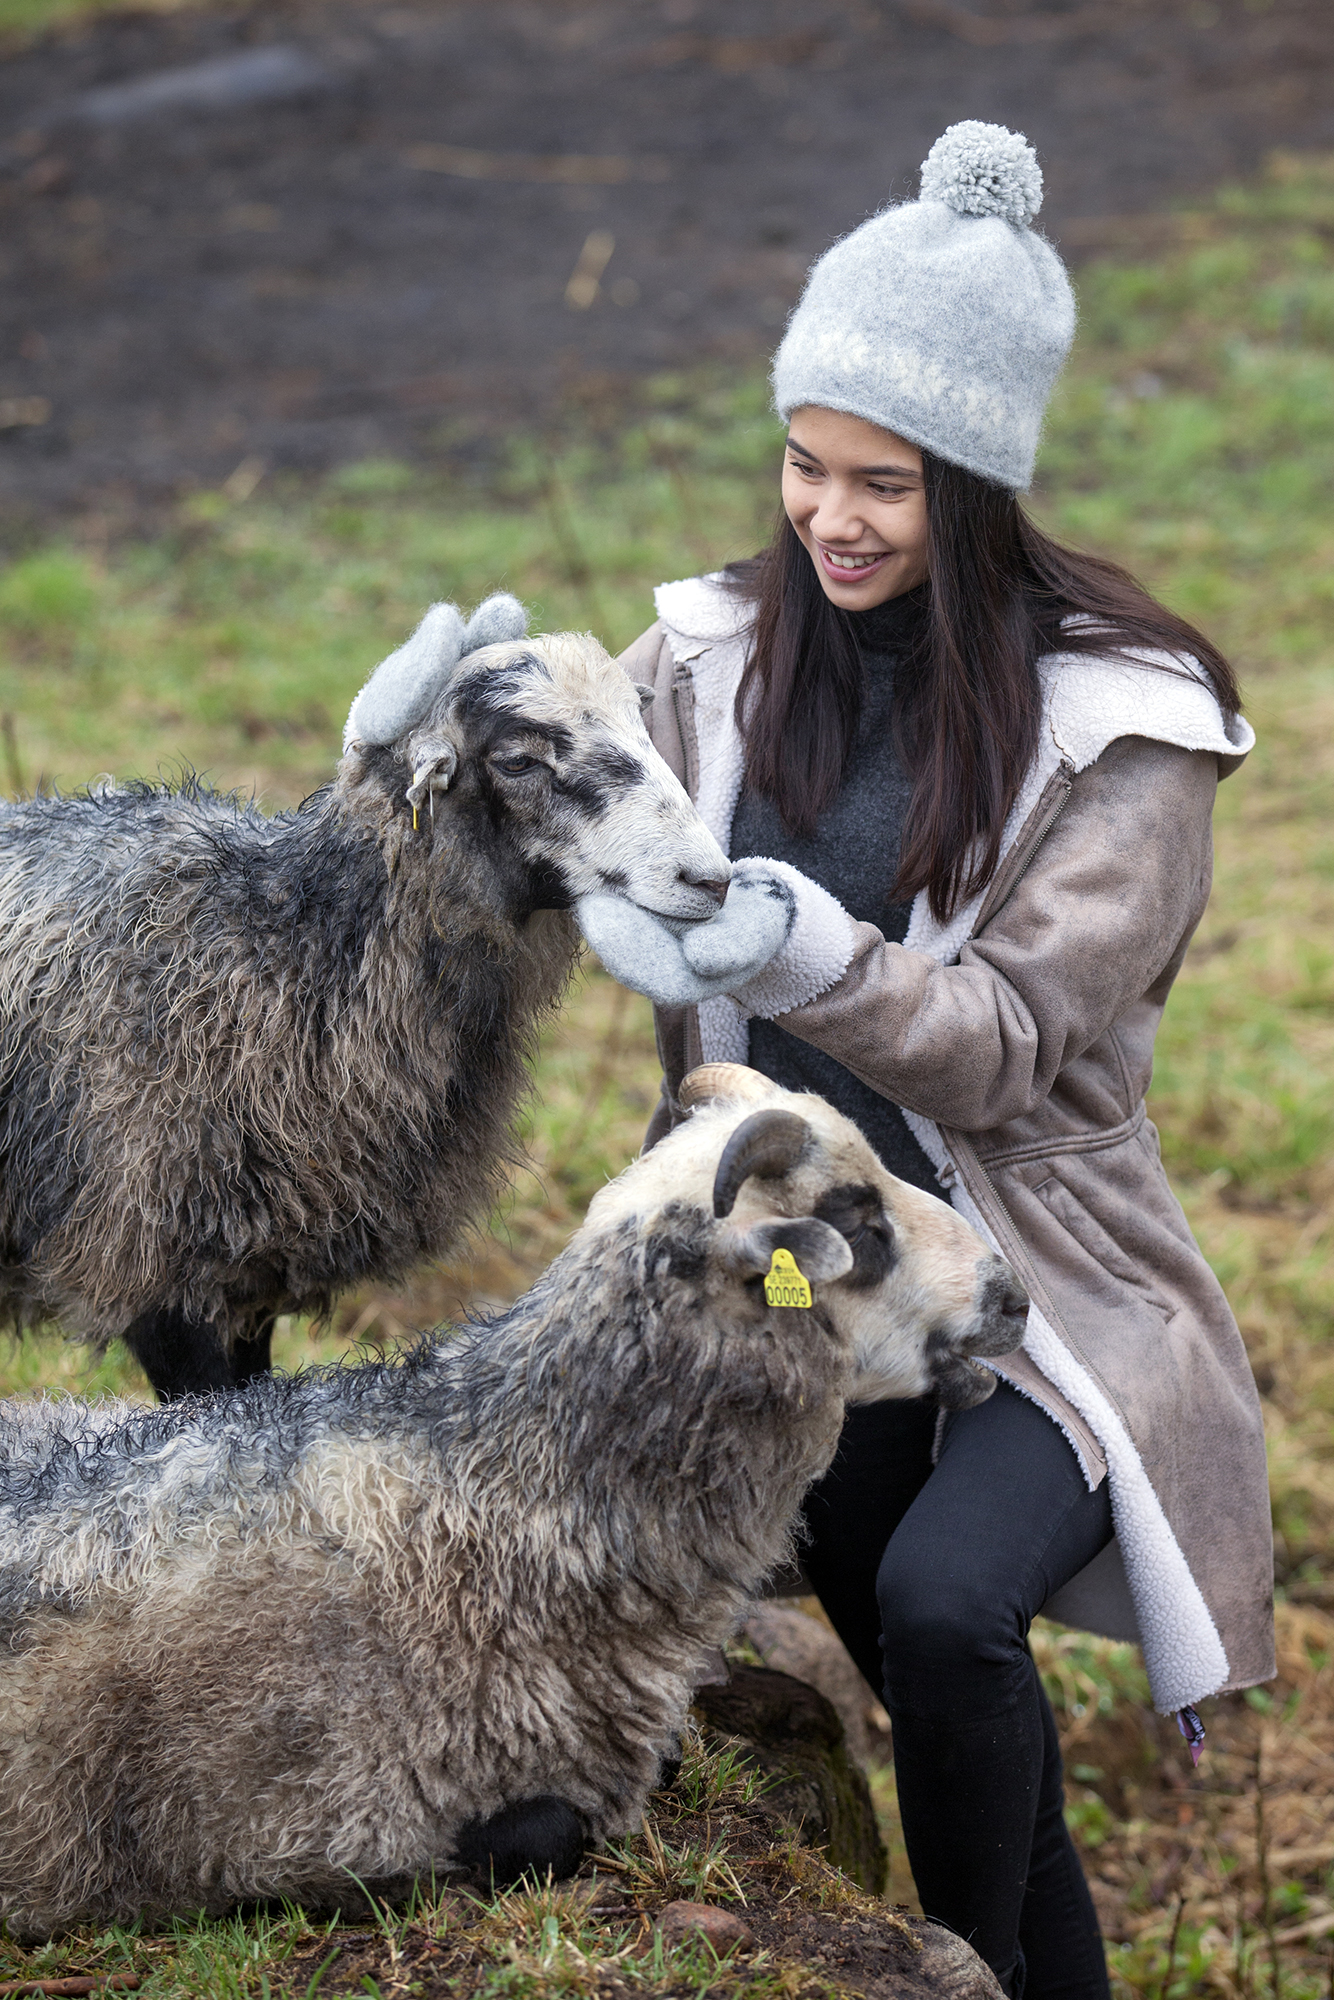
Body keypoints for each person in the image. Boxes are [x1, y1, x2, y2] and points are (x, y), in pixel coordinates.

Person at [582, 123, 1275, 1998]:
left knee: (949, 1609)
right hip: (816, 1285)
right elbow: (569, 844)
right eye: (804, 466)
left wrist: (788, 938)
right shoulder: (710, 665)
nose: (830, 518)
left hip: (1049, 1278)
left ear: (969, 486)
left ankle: (957, 1979)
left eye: (881, 484)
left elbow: (1008, 1050)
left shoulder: (1123, 733)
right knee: (941, 1703)